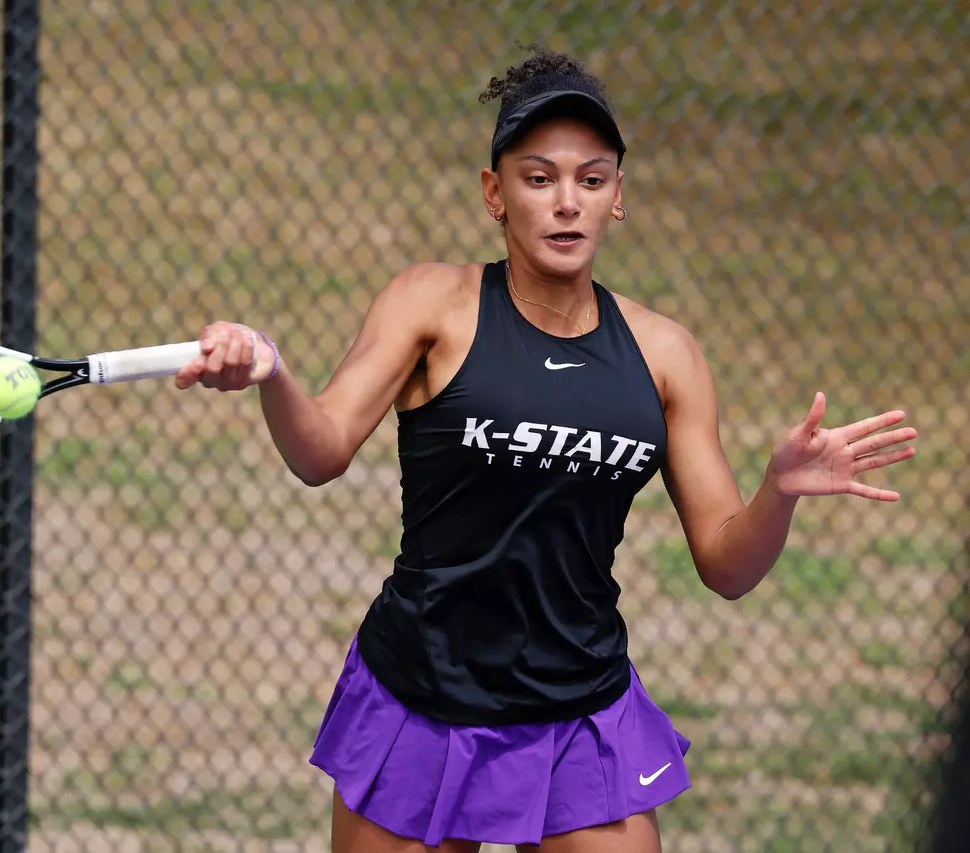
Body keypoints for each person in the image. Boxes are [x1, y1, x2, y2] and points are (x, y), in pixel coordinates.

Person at [172, 46, 919, 853]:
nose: (568, 203)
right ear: (495, 192)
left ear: (618, 197)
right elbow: (320, 450)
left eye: (591, 180)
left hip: (581, 712)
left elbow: (727, 566)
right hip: (426, 697)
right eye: (539, 178)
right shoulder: (434, 303)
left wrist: (779, 490)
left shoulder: (665, 354)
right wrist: (273, 369)